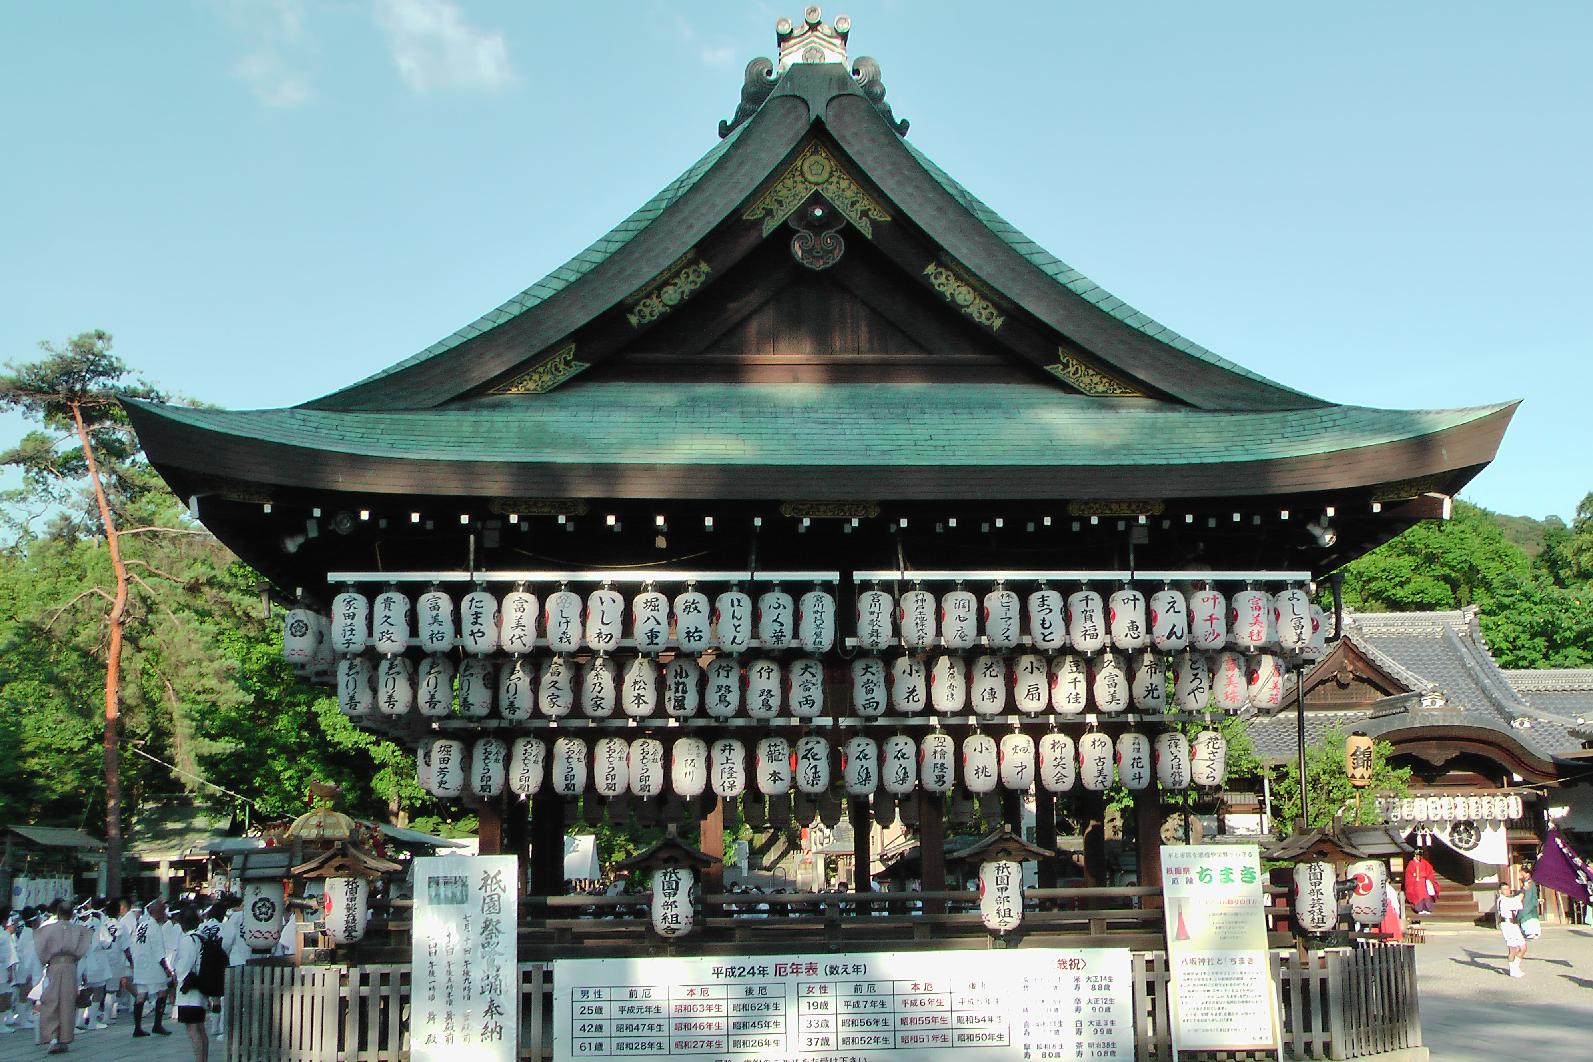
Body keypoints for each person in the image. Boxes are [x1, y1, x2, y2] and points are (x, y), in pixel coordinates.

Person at [33, 899, 93, 1054]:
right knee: (67, 1002)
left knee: (51, 1001)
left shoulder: (46, 930)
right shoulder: (80, 930)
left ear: (58, 913)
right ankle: (63, 1038)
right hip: (71, 967)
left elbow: (40, 949)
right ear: (72, 913)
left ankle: (52, 1037)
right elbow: (83, 951)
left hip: (53, 966)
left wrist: (45, 962)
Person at [127, 899, 174, 1037]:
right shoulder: (155, 927)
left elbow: (133, 945)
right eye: (162, 911)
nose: (164, 914)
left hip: (141, 965)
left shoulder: (141, 925)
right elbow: (159, 951)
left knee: (141, 995)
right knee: (162, 992)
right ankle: (157, 1025)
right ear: (156, 912)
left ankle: (137, 1027)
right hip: (153, 966)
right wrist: (166, 968)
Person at [171, 907, 209, 1062]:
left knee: (193, 1029)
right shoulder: (202, 937)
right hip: (200, 986)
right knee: (199, 1028)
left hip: (189, 990)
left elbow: (184, 966)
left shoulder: (188, 939)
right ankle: (203, 1059)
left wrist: (176, 976)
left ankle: (200, 1060)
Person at [1496, 881, 1526, 978]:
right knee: (1512, 949)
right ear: (1500, 891)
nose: (1507, 891)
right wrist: (1524, 889)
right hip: (1507, 925)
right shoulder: (1502, 900)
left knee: (1523, 948)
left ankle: (1516, 967)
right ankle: (1512, 970)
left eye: (1508, 889)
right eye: (1505, 889)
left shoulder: (1509, 899)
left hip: (1514, 924)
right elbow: (1517, 900)